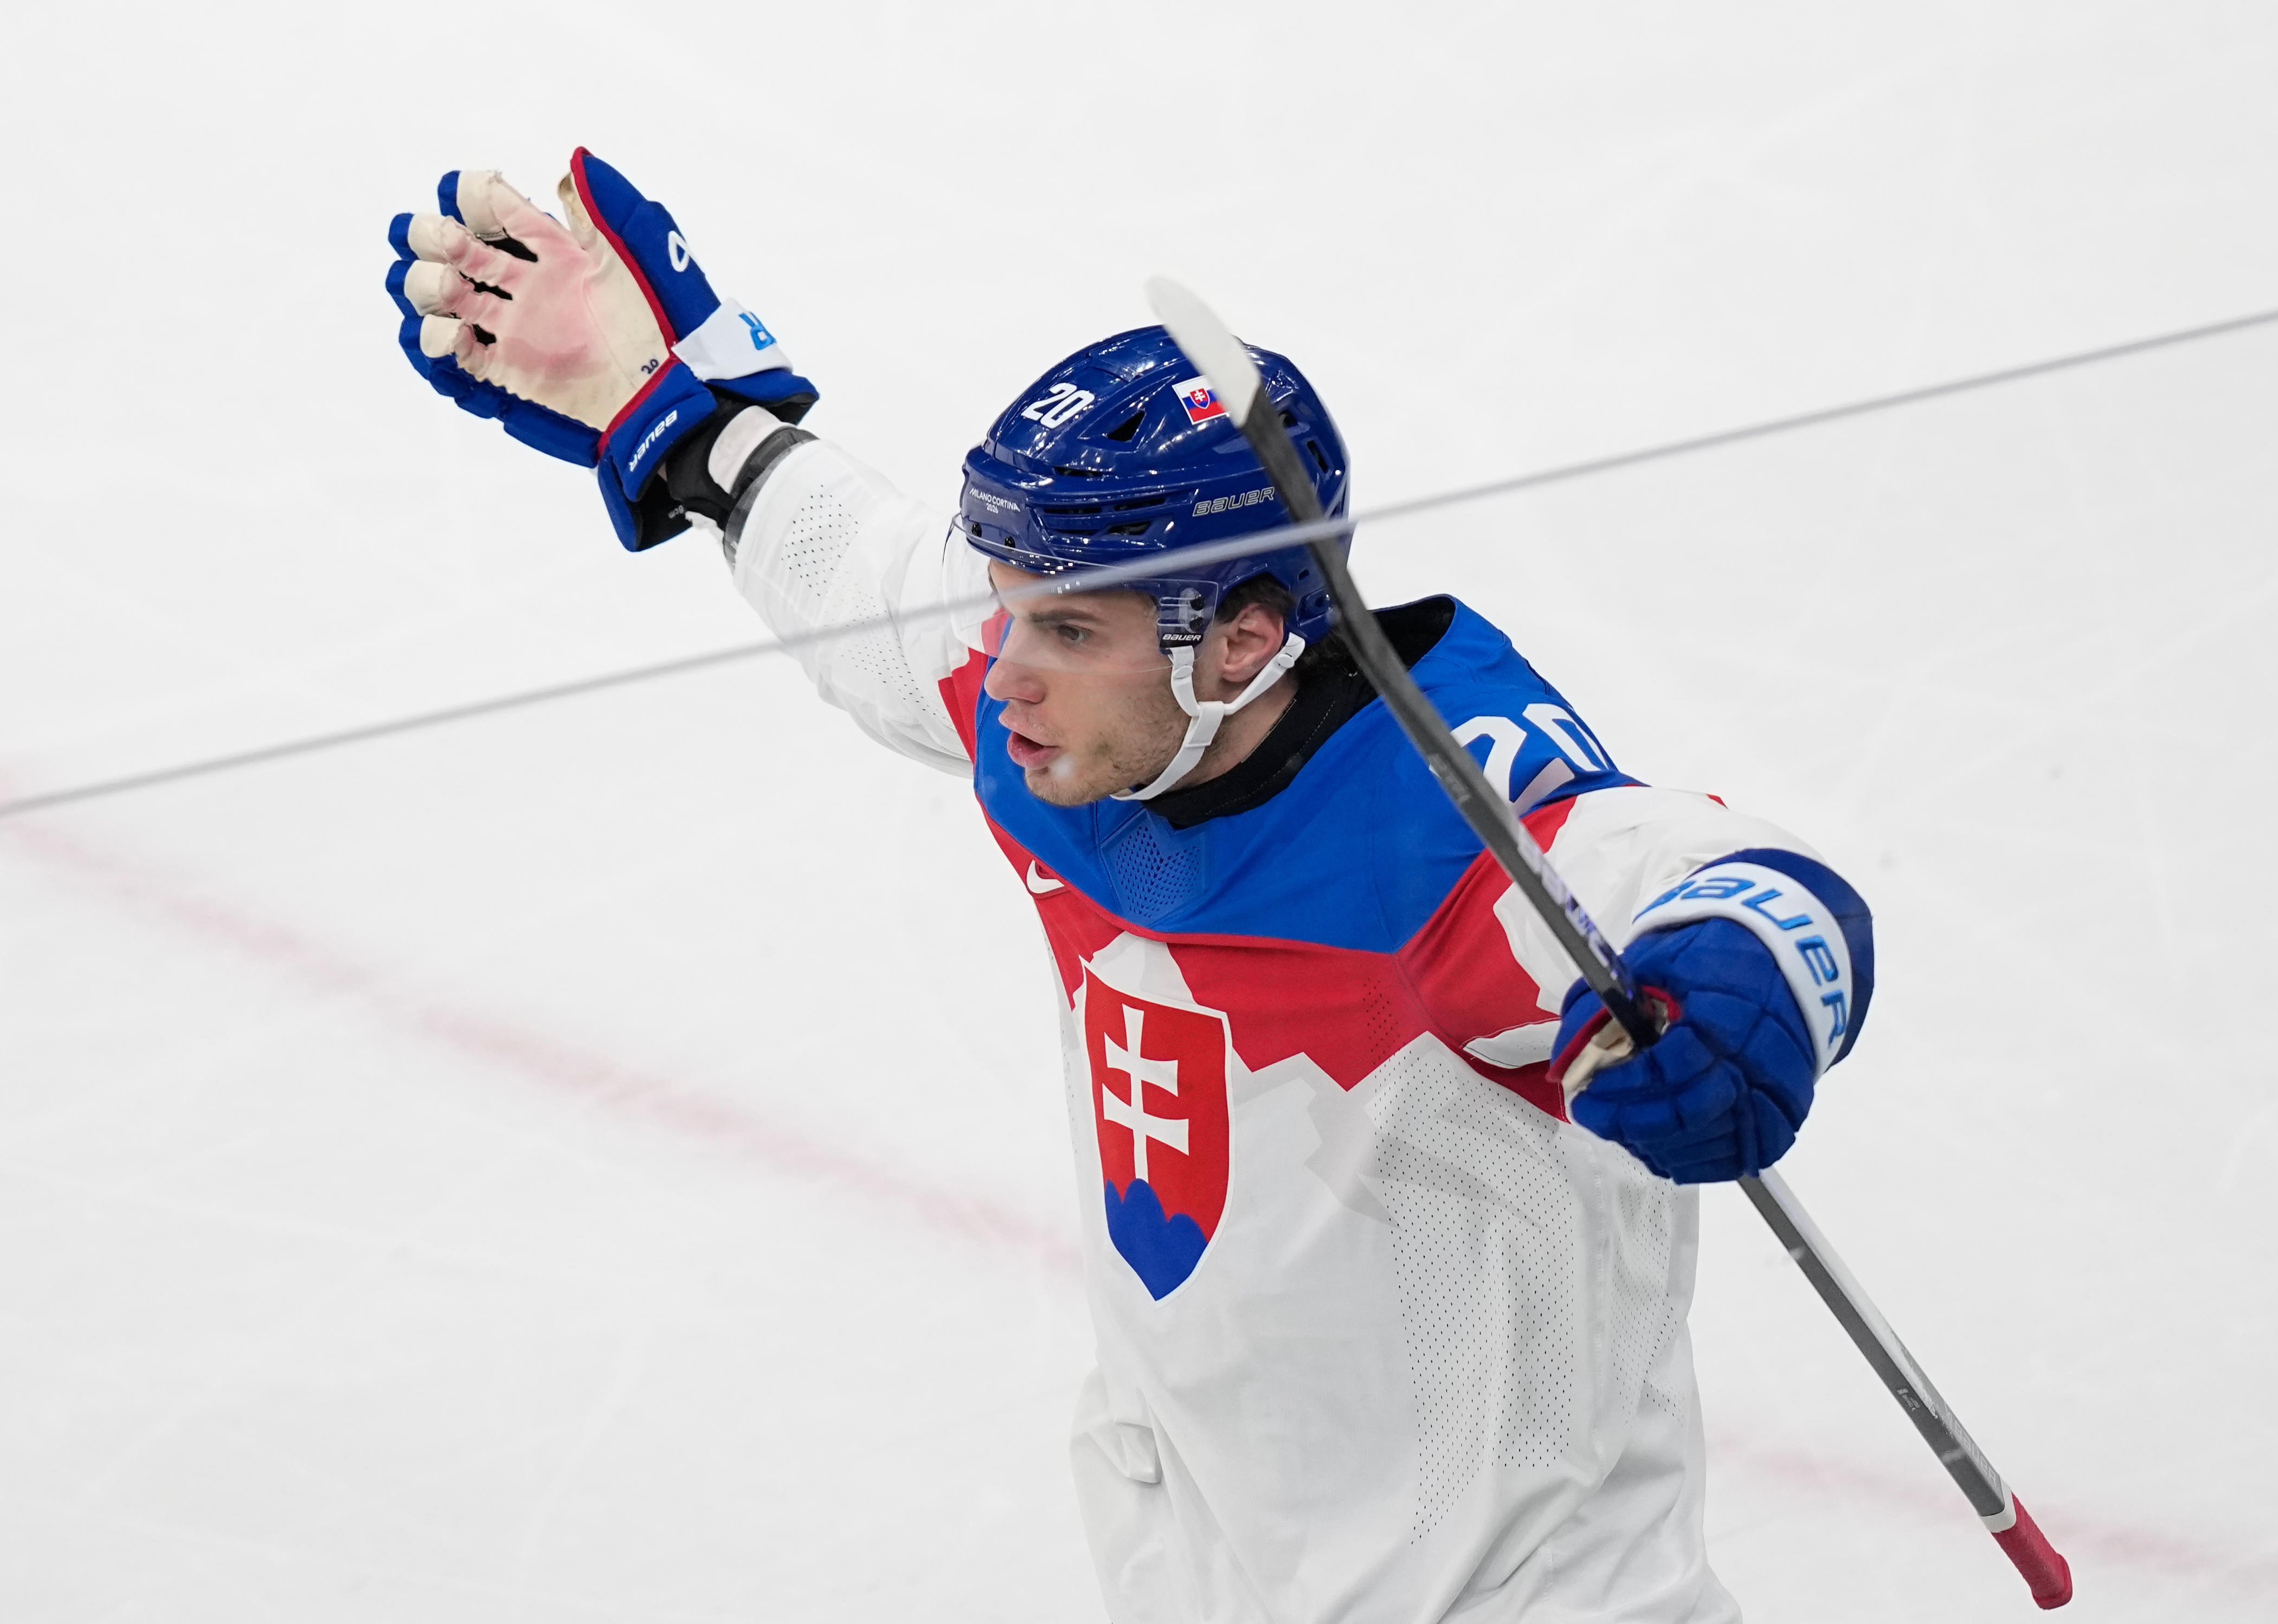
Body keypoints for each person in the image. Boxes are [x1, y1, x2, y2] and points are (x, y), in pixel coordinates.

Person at [385, 151, 1875, 1624]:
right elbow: (862, 578)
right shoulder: (1083, 710)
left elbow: (1723, 882)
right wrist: (677, 414)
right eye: (1011, 604)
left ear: (1237, 637)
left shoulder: (1462, 839)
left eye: (1068, 631)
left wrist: (1754, 973)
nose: (999, 671)